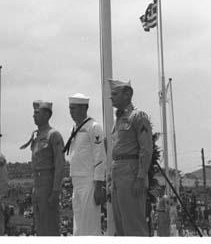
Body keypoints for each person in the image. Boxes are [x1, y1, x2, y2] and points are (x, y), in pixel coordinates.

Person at [108, 78, 153, 236]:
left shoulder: (138, 116)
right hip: (118, 173)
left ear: (127, 95)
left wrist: (140, 178)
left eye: (114, 93)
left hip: (130, 173)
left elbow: (146, 149)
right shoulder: (118, 120)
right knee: (120, 226)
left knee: (133, 224)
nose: (110, 97)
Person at [20, 100, 65, 235]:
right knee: (39, 226)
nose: (33, 116)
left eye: (37, 113)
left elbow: (60, 164)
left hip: (48, 183)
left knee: (50, 225)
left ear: (46, 115)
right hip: (37, 184)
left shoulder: (53, 135)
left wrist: (56, 190)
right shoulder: (37, 135)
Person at [64, 92, 106, 235]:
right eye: (70, 108)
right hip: (77, 182)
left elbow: (100, 156)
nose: (70, 112)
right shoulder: (75, 128)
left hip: (90, 181)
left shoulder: (93, 127)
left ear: (84, 108)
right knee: (78, 227)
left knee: (90, 226)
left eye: (73, 108)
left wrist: (99, 186)